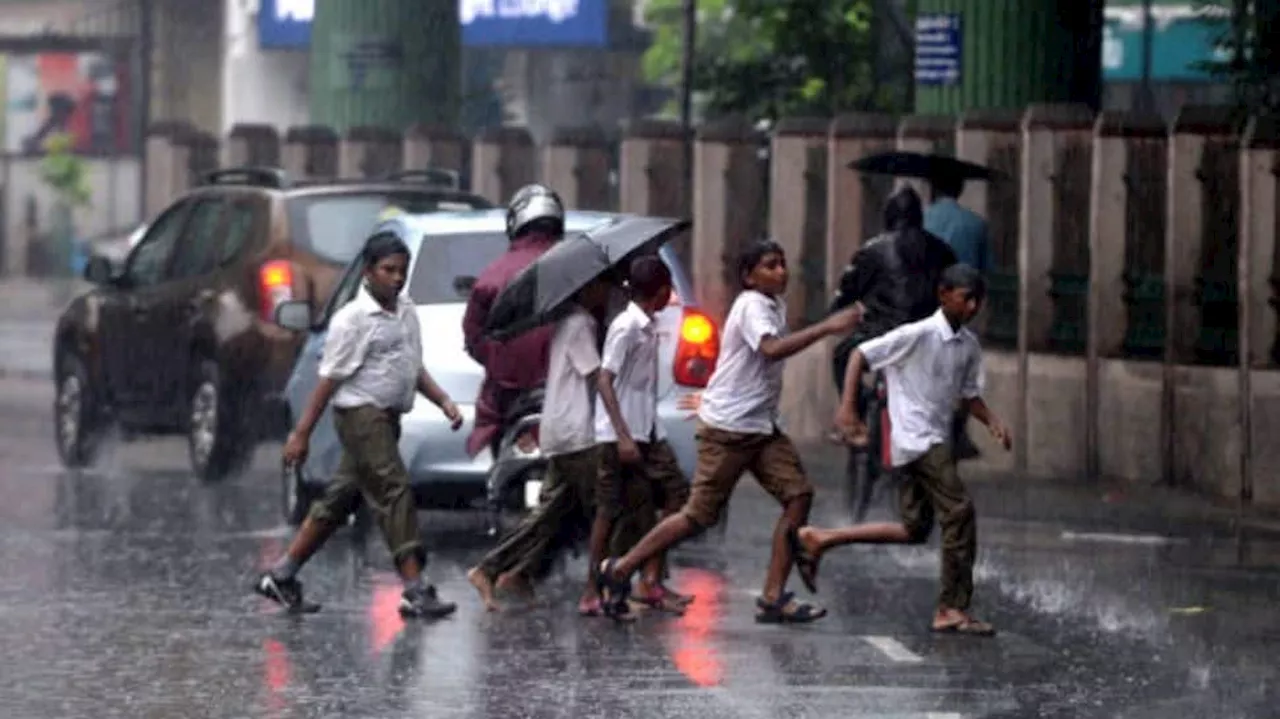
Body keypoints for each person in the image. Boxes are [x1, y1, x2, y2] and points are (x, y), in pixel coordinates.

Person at [595, 240, 863, 623]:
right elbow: (770, 350)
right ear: (748, 276)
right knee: (698, 514)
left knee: (798, 495)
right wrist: (827, 327)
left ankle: (773, 596)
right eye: (770, 265)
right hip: (729, 429)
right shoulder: (752, 305)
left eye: (783, 263)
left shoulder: (773, 304)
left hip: (760, 426)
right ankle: (620, 569)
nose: (781, 271)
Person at [791, 264, 1011, 637]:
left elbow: (969, 394)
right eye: (965, 298)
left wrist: (991, 420)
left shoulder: (968, 346)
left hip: (931, 439)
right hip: (918, 440)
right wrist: (847, 408)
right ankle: (951, 607)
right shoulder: (918, 334)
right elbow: (861, 354)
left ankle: (821, 538)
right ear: (944, 295)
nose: (972, 306)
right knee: (959, 512)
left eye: (977, 300)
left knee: (914, 529)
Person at [256, 233, 464, 619]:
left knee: (340, 499)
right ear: (367, 272)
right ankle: (415, 588)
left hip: (388, 418)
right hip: (361, 417)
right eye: (388, 270)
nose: (396, 279)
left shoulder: (405, 311)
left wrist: (444, 401)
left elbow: (410, 366)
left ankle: (282, 574)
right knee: (394, 490)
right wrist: (300, 433)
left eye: (402, 271)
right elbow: (328, 380)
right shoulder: (352, 319)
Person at [467, 274, 615, 613]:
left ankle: (501, 571)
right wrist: (619, 425)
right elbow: (595, 376)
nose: (608, 292)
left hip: (559, 427)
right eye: (604, 286)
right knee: (606, 509)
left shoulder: (567, 320)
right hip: (575, 432)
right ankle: (604, 589)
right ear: (588, 287)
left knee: (550, 513)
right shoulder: (579, 323)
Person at [828, 187, 959, 521]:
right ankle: (957, 433)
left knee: (843, 356)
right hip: (928, 341)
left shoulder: (871, 250)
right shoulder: (942, 251)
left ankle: (853, 417)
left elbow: (843, 295)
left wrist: (845, 307)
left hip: (882, 337)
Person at [586, 255, 694, 619]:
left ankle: (649, 579)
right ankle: (591, 588)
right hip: (620, 435)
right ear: (662, 292)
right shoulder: (627, 326)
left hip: (647, 429)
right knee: (608, 508)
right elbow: (604, 379)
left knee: (670, 495)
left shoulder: (648, 325)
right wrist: (623, 437)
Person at [462, 184, 566, 459]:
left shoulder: (493, 274)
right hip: (568, 393)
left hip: (508, 397)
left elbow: (474, 337)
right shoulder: (577, 268)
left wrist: (501, 362)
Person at [924, 171, 993, 460]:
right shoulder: (976, 224)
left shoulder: (921, 220)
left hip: (920, 304)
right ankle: (959, 430)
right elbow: (985, 271)